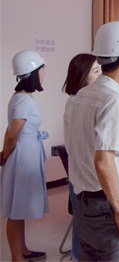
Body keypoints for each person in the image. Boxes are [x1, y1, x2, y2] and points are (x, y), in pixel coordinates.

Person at [64, 21, 119, 261]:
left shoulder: (79, 97)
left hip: (84, 206)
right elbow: (103, 161)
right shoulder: (113, 100)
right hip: (109, 206)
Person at [1, 50, 49, 262]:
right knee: (15, 209)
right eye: (42, 70)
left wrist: (4, 154)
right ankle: (16, 256)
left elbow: (9, 131)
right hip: (21, 157)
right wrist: (5, 155)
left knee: (18, 208)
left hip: (22, 155)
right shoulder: (23, 101)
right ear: (33, 73)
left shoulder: (21, 98)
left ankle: (22, 250)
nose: (44, 74)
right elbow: (13, 134)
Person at [62, 53, 102, 261]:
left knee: (83, 226)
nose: (100, 75)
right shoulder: (78, 103)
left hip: (80, 174)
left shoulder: (76, 102)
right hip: (86, 176)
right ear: (81, 75)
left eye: (100, 70)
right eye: (95, 71)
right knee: (84, 227)